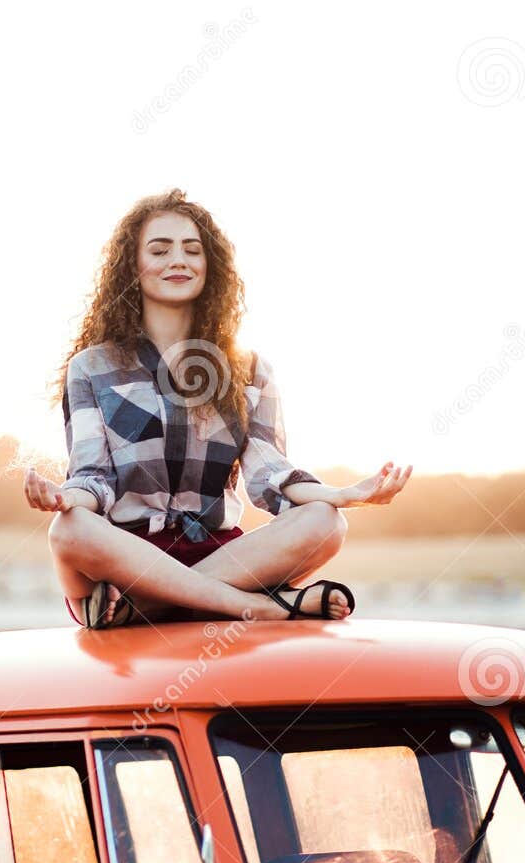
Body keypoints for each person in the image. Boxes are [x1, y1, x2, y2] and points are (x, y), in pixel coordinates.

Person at [24, 189, 411, 628]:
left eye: (192, 250)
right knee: (69, 529)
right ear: (131, 266)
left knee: (326, 522)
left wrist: (341, 495)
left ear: (212, 266)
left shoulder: (249, 368)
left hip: (215, 555)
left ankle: (147, 606)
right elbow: (93, 479)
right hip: (124, 559)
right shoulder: (91, 367)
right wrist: (62, 498)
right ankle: (260, 606)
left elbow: (269, 473)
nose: (178, 260)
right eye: (159, 249)